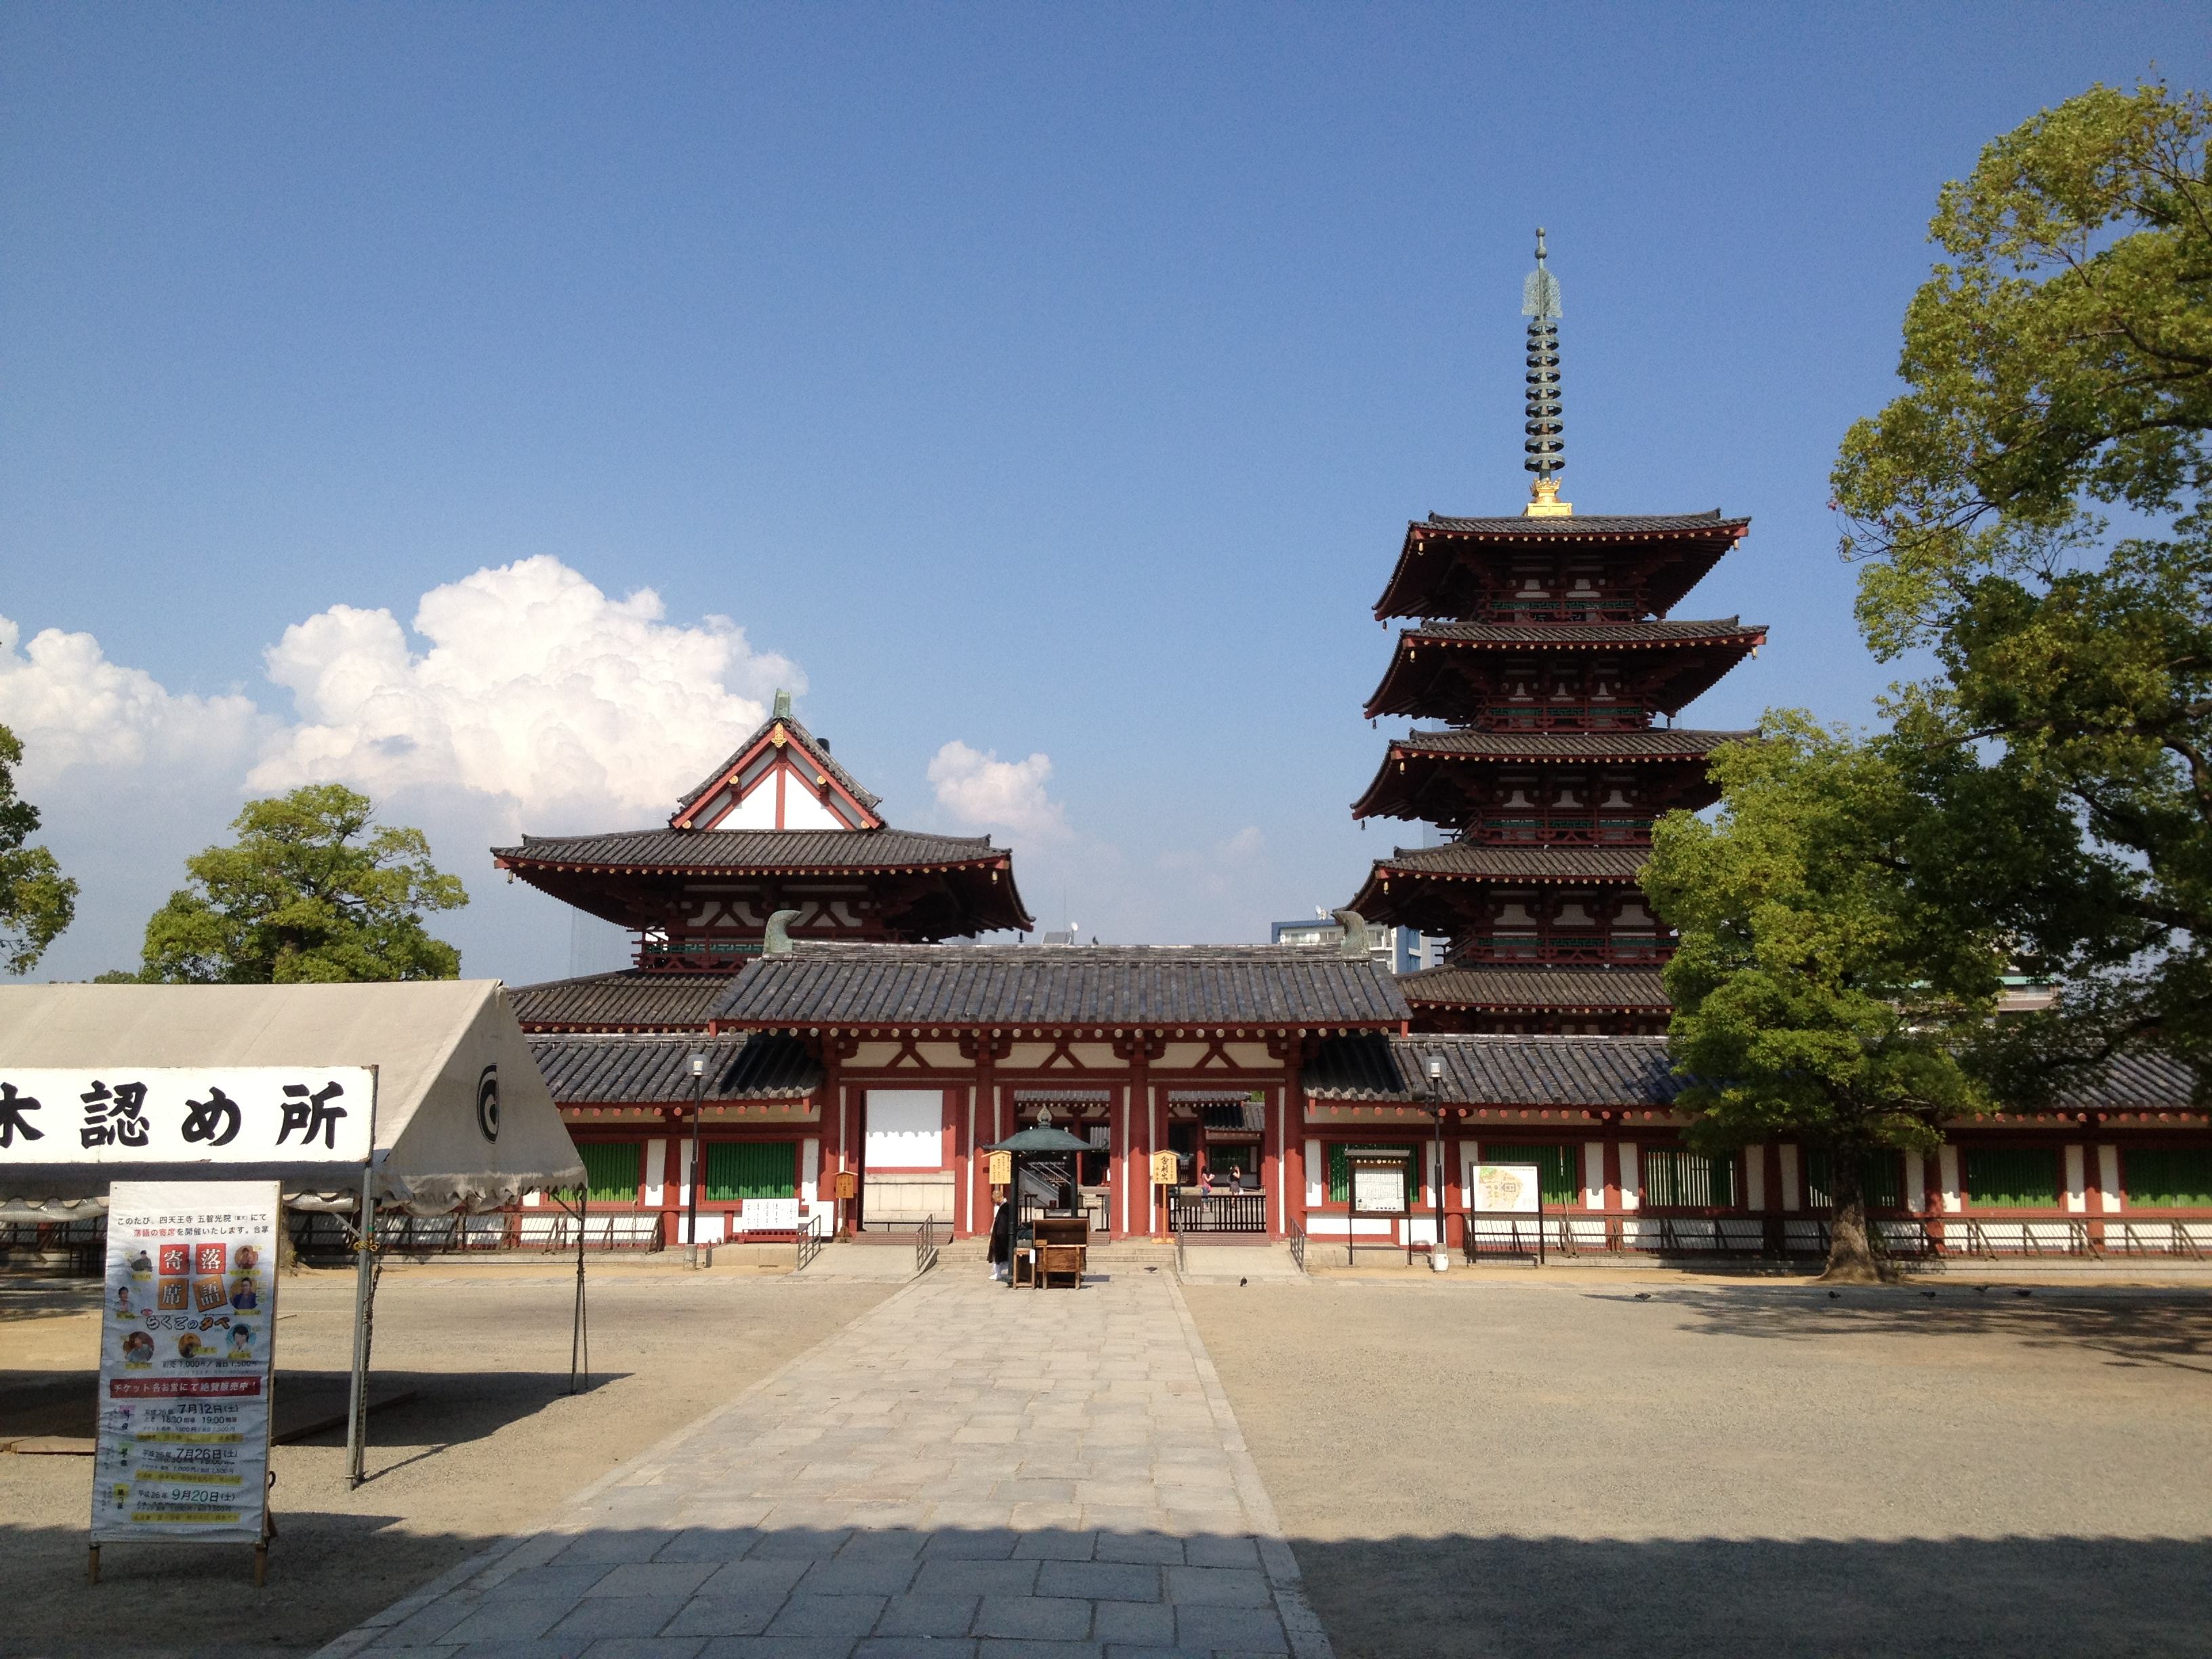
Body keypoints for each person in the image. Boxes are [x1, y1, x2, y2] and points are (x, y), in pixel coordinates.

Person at [987, 1195, 1014, 1282]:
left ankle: (999, 1274)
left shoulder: (1005, 1208)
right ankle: (997, 1273)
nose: (995, 1203)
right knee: (999, 1256)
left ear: (998, 1198)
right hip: (1000, 1234)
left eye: (995, 1200)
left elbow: (1002, 1224)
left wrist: (999, 1235)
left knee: (1000, 1256)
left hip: (1001, 1235)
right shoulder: (1004, 1207)